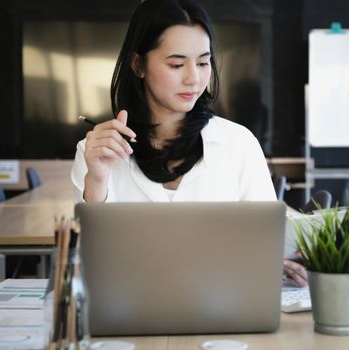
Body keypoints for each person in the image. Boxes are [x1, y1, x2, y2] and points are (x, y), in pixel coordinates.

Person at [70, 0, 307, 286]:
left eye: (204, 62)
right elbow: (86, 266)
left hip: (225, 309)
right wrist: (96, 180)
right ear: (138, 64)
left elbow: (267, 240)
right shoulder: (96, 151)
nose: (194, 78)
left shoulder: (238, 143)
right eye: (177, 64)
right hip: (131, 314)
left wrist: (281, 263)